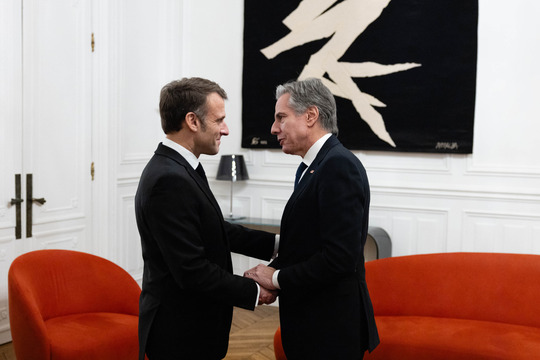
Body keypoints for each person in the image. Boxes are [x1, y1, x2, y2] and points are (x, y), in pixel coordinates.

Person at [135, 77, 278, 360]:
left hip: (192, 326)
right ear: (192, 121)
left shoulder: (180, 167)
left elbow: (213, 229)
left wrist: (276, 244)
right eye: (219, 120)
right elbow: (191, 270)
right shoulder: (169, 179)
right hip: (180, 333)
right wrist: (253, 291)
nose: (225, 130)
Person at [244, 78, 380, 359]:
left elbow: (339, 258)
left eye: (281, 117)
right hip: (311, 322)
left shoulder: (338, 166)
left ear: (310, 115)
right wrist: (271, 275)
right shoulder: (315, 165)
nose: (273, 129)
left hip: (330, 328)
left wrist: (277, 277)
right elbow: (306, 243)